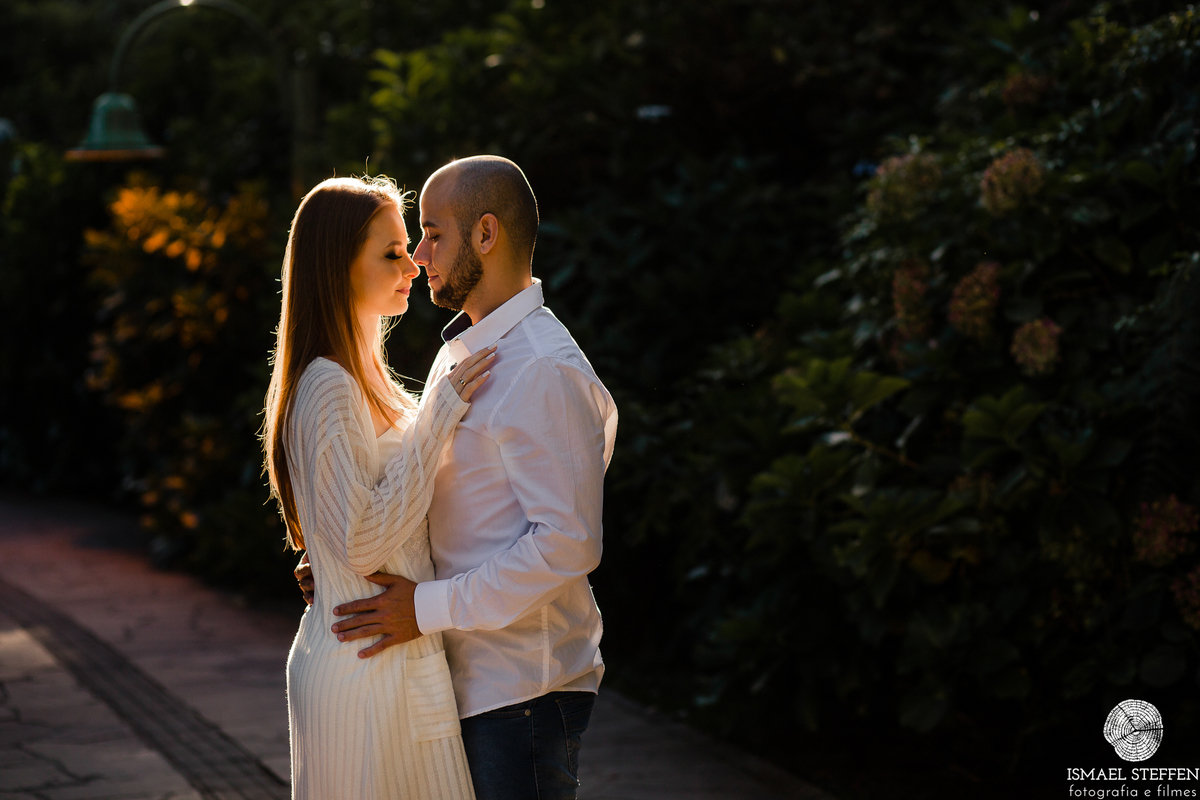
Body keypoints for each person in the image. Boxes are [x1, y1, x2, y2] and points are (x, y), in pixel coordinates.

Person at [297, 156, 618, 800]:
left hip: (522, 689)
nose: (419, 255)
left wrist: (423, 607)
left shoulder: (542, 368)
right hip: (464, 682)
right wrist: (347, 564)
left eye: (433, 233)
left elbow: (569, 541)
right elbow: (440, 497)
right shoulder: (459, 352)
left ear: (486, 234)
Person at [263, 175, 496, 799]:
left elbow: (364, 526)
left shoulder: (373, 383)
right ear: (338, 267)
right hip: (364, 667)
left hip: (385, 660)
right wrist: (441, 414)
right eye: (392, 253)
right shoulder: (329, 385)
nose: (413, 265)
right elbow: (364, 543)